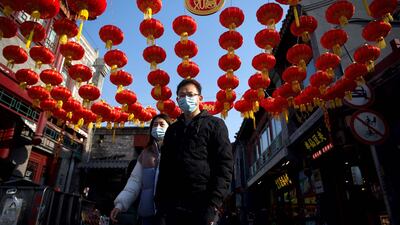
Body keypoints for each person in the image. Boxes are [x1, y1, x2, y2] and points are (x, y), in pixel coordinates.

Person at [155, 79, 233, 225]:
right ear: (177, 100)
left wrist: (213, 205)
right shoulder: (172, 130)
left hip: (202, 205)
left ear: (200, 98)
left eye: (190, 94)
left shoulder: (215, 125)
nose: (186, 99)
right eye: (182, 96)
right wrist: (160, 204)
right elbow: (164, 169)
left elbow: (224, 166)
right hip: (172, 207)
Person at [110, 114, 172, 225]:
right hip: (146, 214)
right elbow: (134, 182)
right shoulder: (145, 153)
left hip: (168, 214)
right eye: (155, 125)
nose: (158, 128)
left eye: (162, 124)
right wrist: (120, 204)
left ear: (170, 128)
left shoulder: (177, 151)